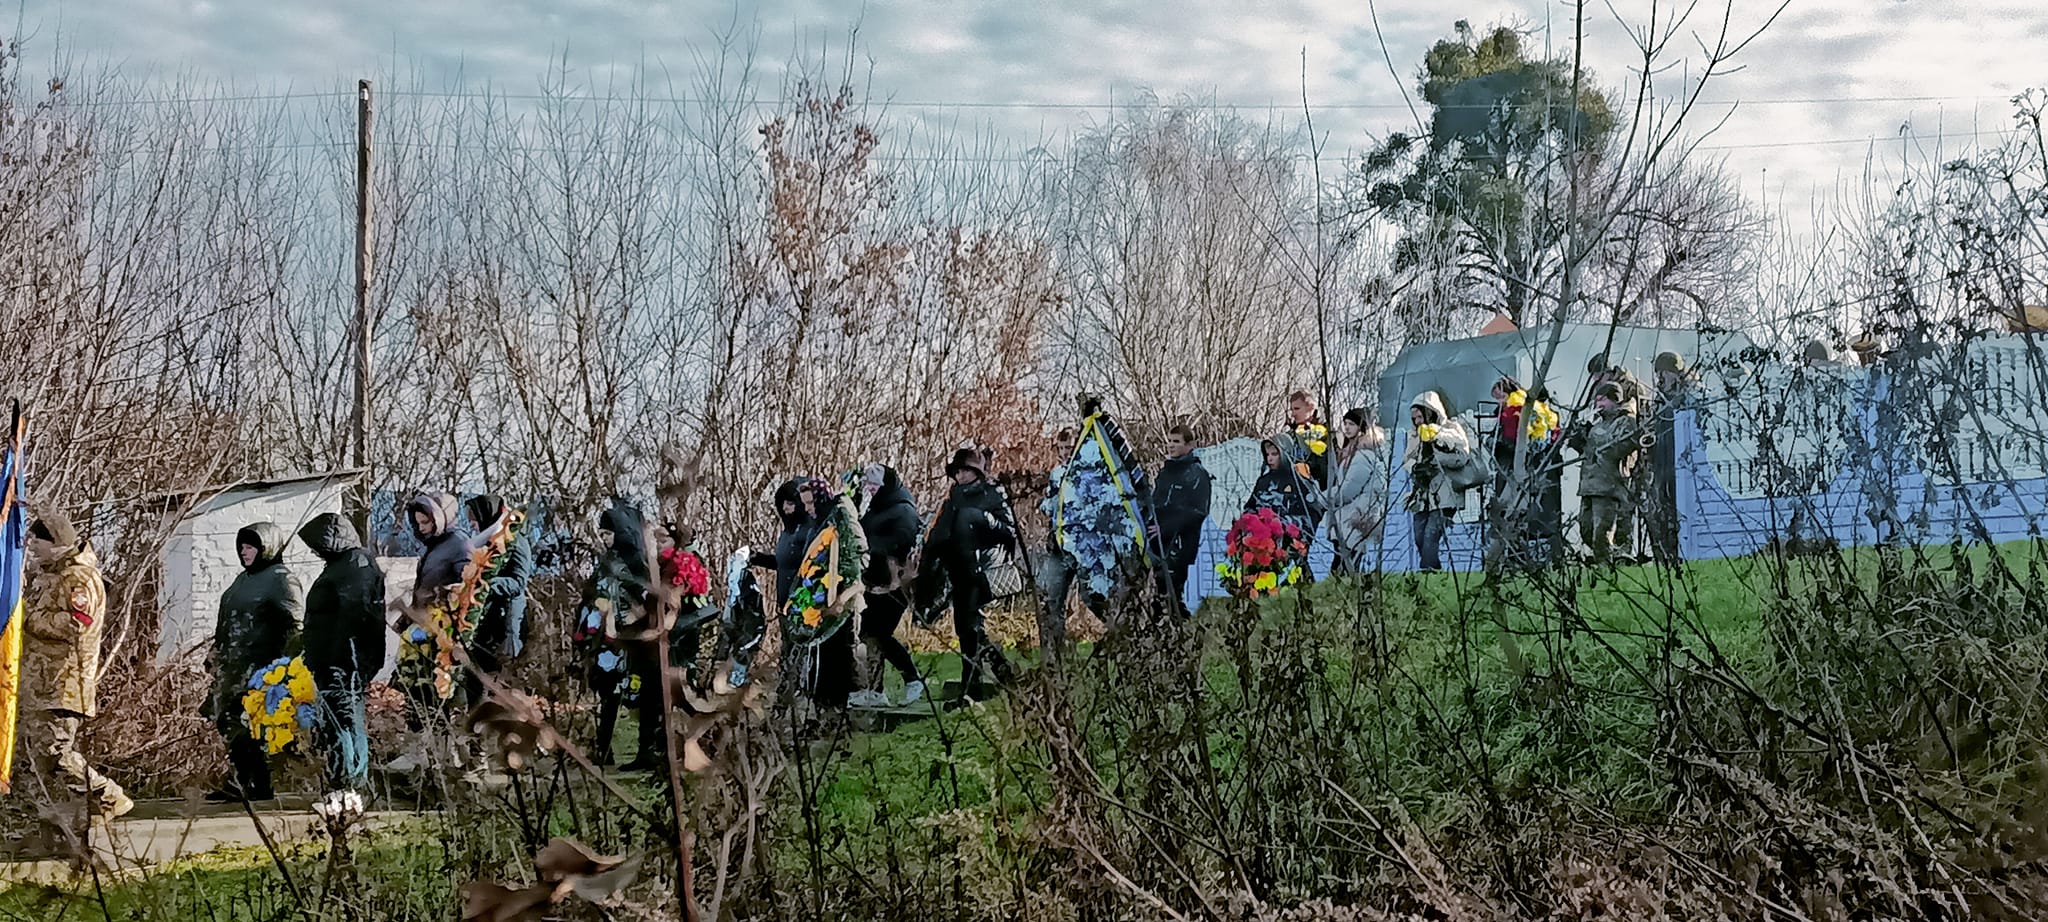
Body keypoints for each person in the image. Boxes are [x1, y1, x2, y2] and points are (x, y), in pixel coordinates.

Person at [18, 510, 131, 836]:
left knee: (56, 753)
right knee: (39, 758)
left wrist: (29, 619)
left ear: (57, 544)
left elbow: (78, 624)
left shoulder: (79, 579)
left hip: (64, 683)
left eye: (38, 541)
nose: (32, 547)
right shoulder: (52, 576)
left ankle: (107, 796)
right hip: (41, 683)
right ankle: (61, 818)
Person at [204, 522, 301, 803]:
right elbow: (228, 621)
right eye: (243, 547)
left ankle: (254, 782)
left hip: (259, 667)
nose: (245, 552)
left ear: (266, 548)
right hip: (231, 664)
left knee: (245, 722)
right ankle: (241, 777)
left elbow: (295, 624)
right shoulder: (242, 579)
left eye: (251, 547)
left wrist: (286, 667)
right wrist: (215, 652)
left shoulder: (281, 579)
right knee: (226, 720)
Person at [297, 513, 385, 798]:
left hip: (342, 662)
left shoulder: (354, 567)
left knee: (343, 722)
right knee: (338, 720)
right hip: (333, 659)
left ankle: (347, 785)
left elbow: (354, 617)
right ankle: (344, 782)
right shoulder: (345, 565)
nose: (314, 552)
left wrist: (342, 659)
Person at [921, 446, 1017, 697]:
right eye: (958, 471)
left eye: (965, 470)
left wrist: (982, 518)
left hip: (985, 568)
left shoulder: (993, 493)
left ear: (976, 471)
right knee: (965, 627)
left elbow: (1009, 531)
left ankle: (974, 681)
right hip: (959, 570)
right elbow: (940, 534)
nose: (961, 475)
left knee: (972, 624)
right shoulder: (953, 498)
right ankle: (997, 674)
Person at [576, 500, 657, 770]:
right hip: (604, 639)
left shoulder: (637, 560)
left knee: (636, 696)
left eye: (608, 534)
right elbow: (593, 591)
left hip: (628, 637)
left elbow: (645, 595)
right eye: (602, 535)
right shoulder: (606, 560)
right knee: (608, 695)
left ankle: (645, 749)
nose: (606, 539)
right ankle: (603, 748)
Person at [850, 464, 927, 708]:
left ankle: (913, 679)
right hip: (874, 582)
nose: (871, 489)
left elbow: (902, 541)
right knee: (869, 634)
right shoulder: (875, 508)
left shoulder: (902, 510)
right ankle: (875, 690)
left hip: (895, 583)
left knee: (879, 633)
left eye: (875, 485)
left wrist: (871, 548)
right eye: (868, 484)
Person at [460, 495, 532, 705]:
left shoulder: (515, 542)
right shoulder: (486, 540)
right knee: (475, 678)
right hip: (483, 620)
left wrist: (485, 582)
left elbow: (518, 582)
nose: (472, 524)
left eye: (473, 518)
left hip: (505, 624)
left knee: (498, 682)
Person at [1570, 383, 1647, 564]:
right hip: (1589, 485)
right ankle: (1612, 558)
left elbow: (1622, 447)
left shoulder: (1626, 421)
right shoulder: (1598, 422)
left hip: (1609, 487)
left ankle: (1606, 568)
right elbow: (1585, 450)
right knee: (1586, 530)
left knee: (1602, 533)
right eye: (1597, 400)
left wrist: (1602, 448)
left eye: (1602, 399)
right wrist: (1578, 435)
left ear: (1615, 399)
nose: (1598, 404)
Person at [1402, 392, 1472, 573]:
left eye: (1420, 416)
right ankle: (1434, 571)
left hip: (1446, 491)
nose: (1417, 421)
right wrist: (1415, 467)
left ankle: (1427, 571)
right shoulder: (1415, 435)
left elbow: (1462, 456)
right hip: (1423, 491)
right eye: (1414, 418)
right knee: (1418, 535)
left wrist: (1437, 458)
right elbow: (1407, 459)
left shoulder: (1451, 429)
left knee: (1431, 534)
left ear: (1431, 412)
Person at [1149, 425, 1213, 616]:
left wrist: (1167, 528)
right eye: (1169, 441)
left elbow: (1197, 512)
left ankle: (1181, 631)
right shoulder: (1165, 473)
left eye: (1176, 441)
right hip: (1158, 542)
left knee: (1174, 597)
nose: (1171, 445)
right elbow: (1156, 503)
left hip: (1181, 544)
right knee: (1159, 597)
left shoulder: (1197, 473)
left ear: (1190, 445)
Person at [1321, 409, 1391, 574]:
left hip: (1355, 517)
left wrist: (1321, 497)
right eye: (1345, 423)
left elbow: (1348, 490)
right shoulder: (1351, 453)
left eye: (1351, 424)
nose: (1346, 428)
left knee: (1345, 566)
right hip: (1350, 516)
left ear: (1362, 427)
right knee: (1343, 563)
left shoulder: (1362, 456)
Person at [1646, 353, 1692, 564]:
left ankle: (1682, 554)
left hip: (1681, 465)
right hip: (1662, 464)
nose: (1660, 378)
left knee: (1681, 512)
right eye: (1658, 374)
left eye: (1663, 373)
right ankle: (1665, 557)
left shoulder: (1688, 396)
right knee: (1660, 512)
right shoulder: (1659, 400)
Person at [1245, 438, 1319, 539]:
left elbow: (1313, 516)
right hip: (1261, 542)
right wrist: (1253, 521)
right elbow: (1250, 507)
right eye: (1267, 455)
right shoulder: (1263, 481)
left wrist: (1285, 524)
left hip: (1290, 544)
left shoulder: (1299, 481)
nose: (1269, 459)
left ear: (1285, 454)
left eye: (1274, 454)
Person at [1282, 389, 1332, 487]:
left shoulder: (1327, 435)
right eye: (1291, 410)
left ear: (1311, 408)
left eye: (1297, 409)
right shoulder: (1289, 437)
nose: (1293, 414)